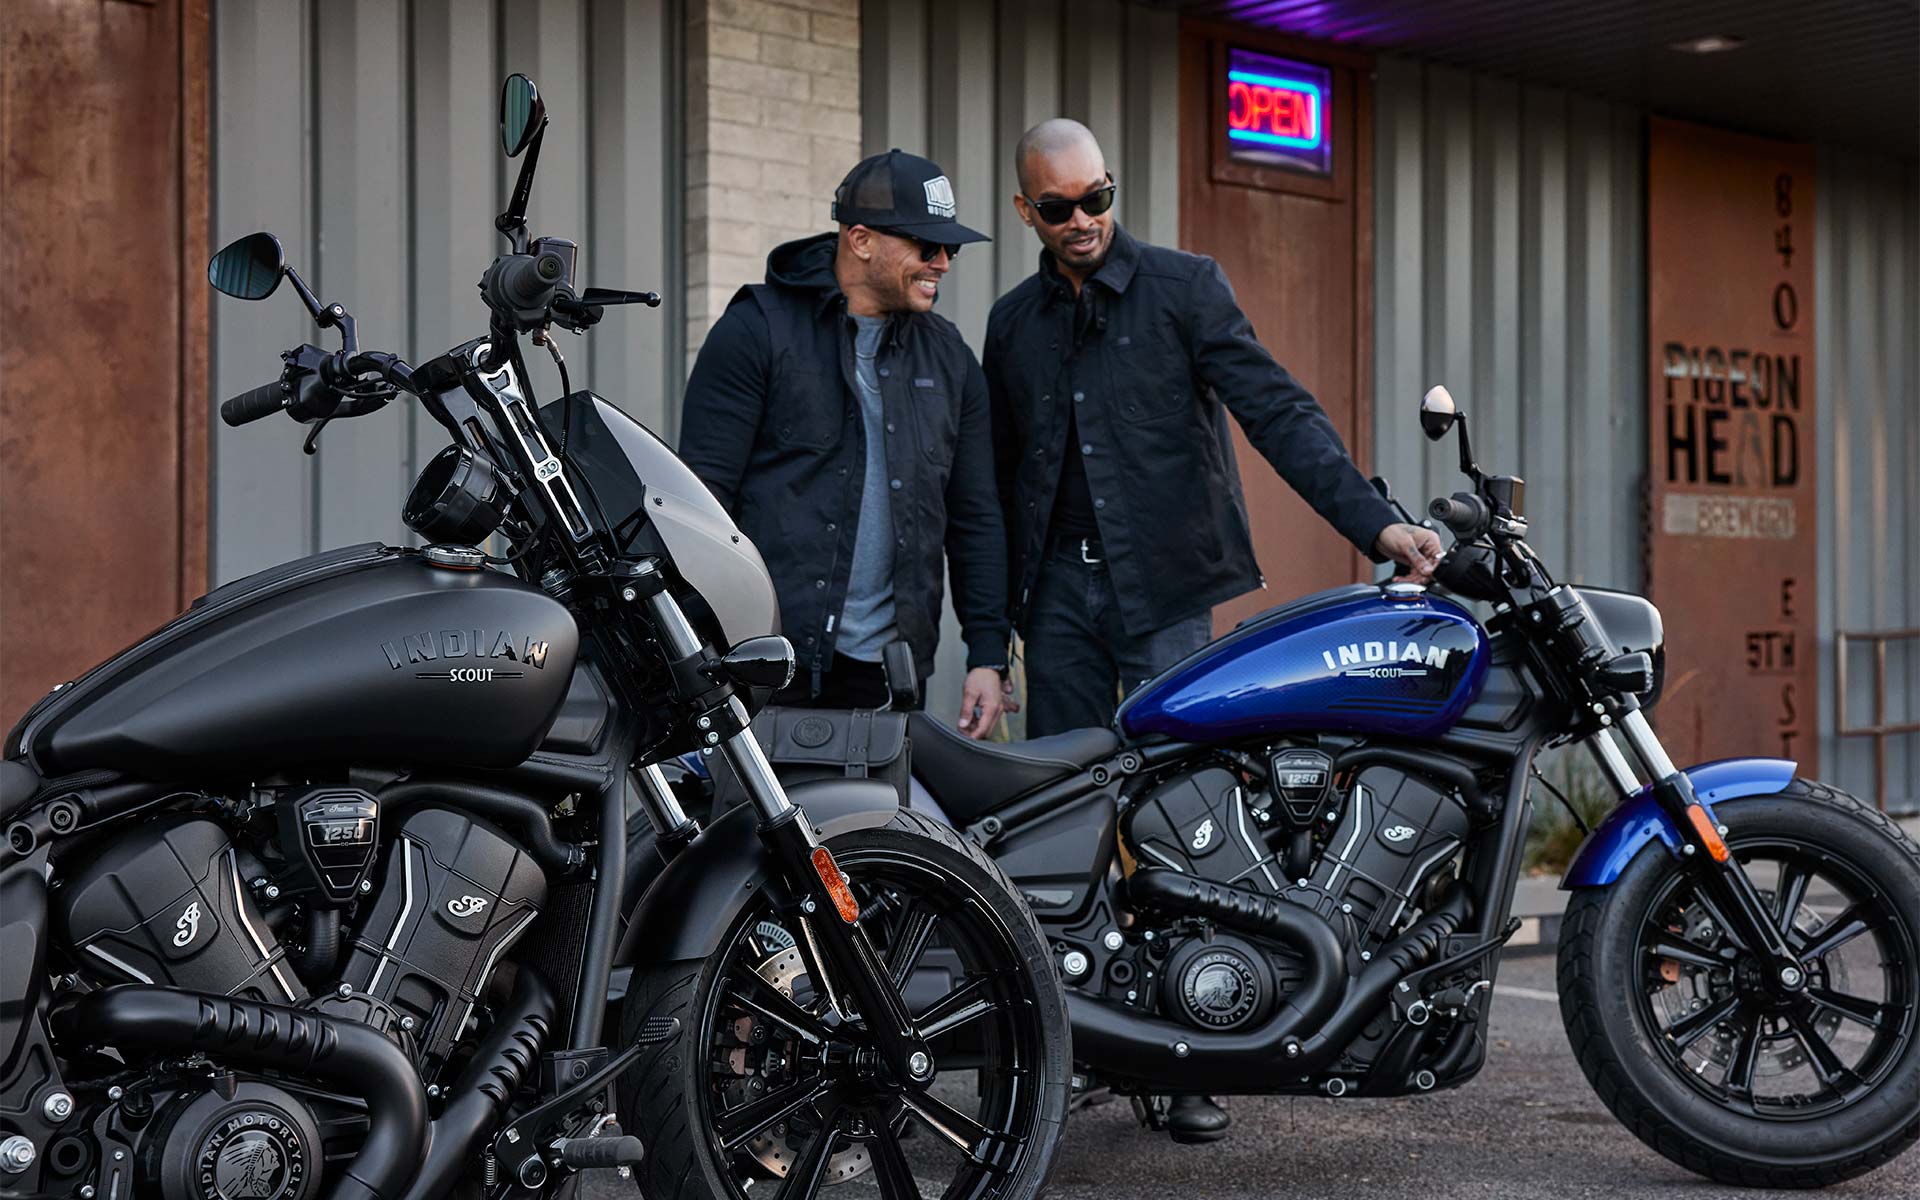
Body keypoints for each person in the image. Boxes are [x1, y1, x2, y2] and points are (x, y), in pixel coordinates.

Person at [984, 120, 1442, 1138]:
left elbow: (1278, 412)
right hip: (1055, 603)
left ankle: (1192, 1046)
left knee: (1184, 820)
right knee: (1060, 825)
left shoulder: (1185, 289)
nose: (1082, 219)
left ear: (1112, 188)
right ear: (1026, 212)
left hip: (1165, 598)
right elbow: (996, 483)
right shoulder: (1012, 325)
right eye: (1058, 207)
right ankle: (1069, 1047)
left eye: (1097, 197)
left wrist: (1376, 525)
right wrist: (990, 637)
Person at [678, 149, 1012, 737]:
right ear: (860, 240)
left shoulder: (951, 358)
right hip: (765, 660)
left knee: (881, 805)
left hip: (888, 675)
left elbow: (975, 516)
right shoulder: (757, 330)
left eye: (950, 250)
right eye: (926, 246)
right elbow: (701, 504)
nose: (942, 263)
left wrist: (987, 655)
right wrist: (700, 643)